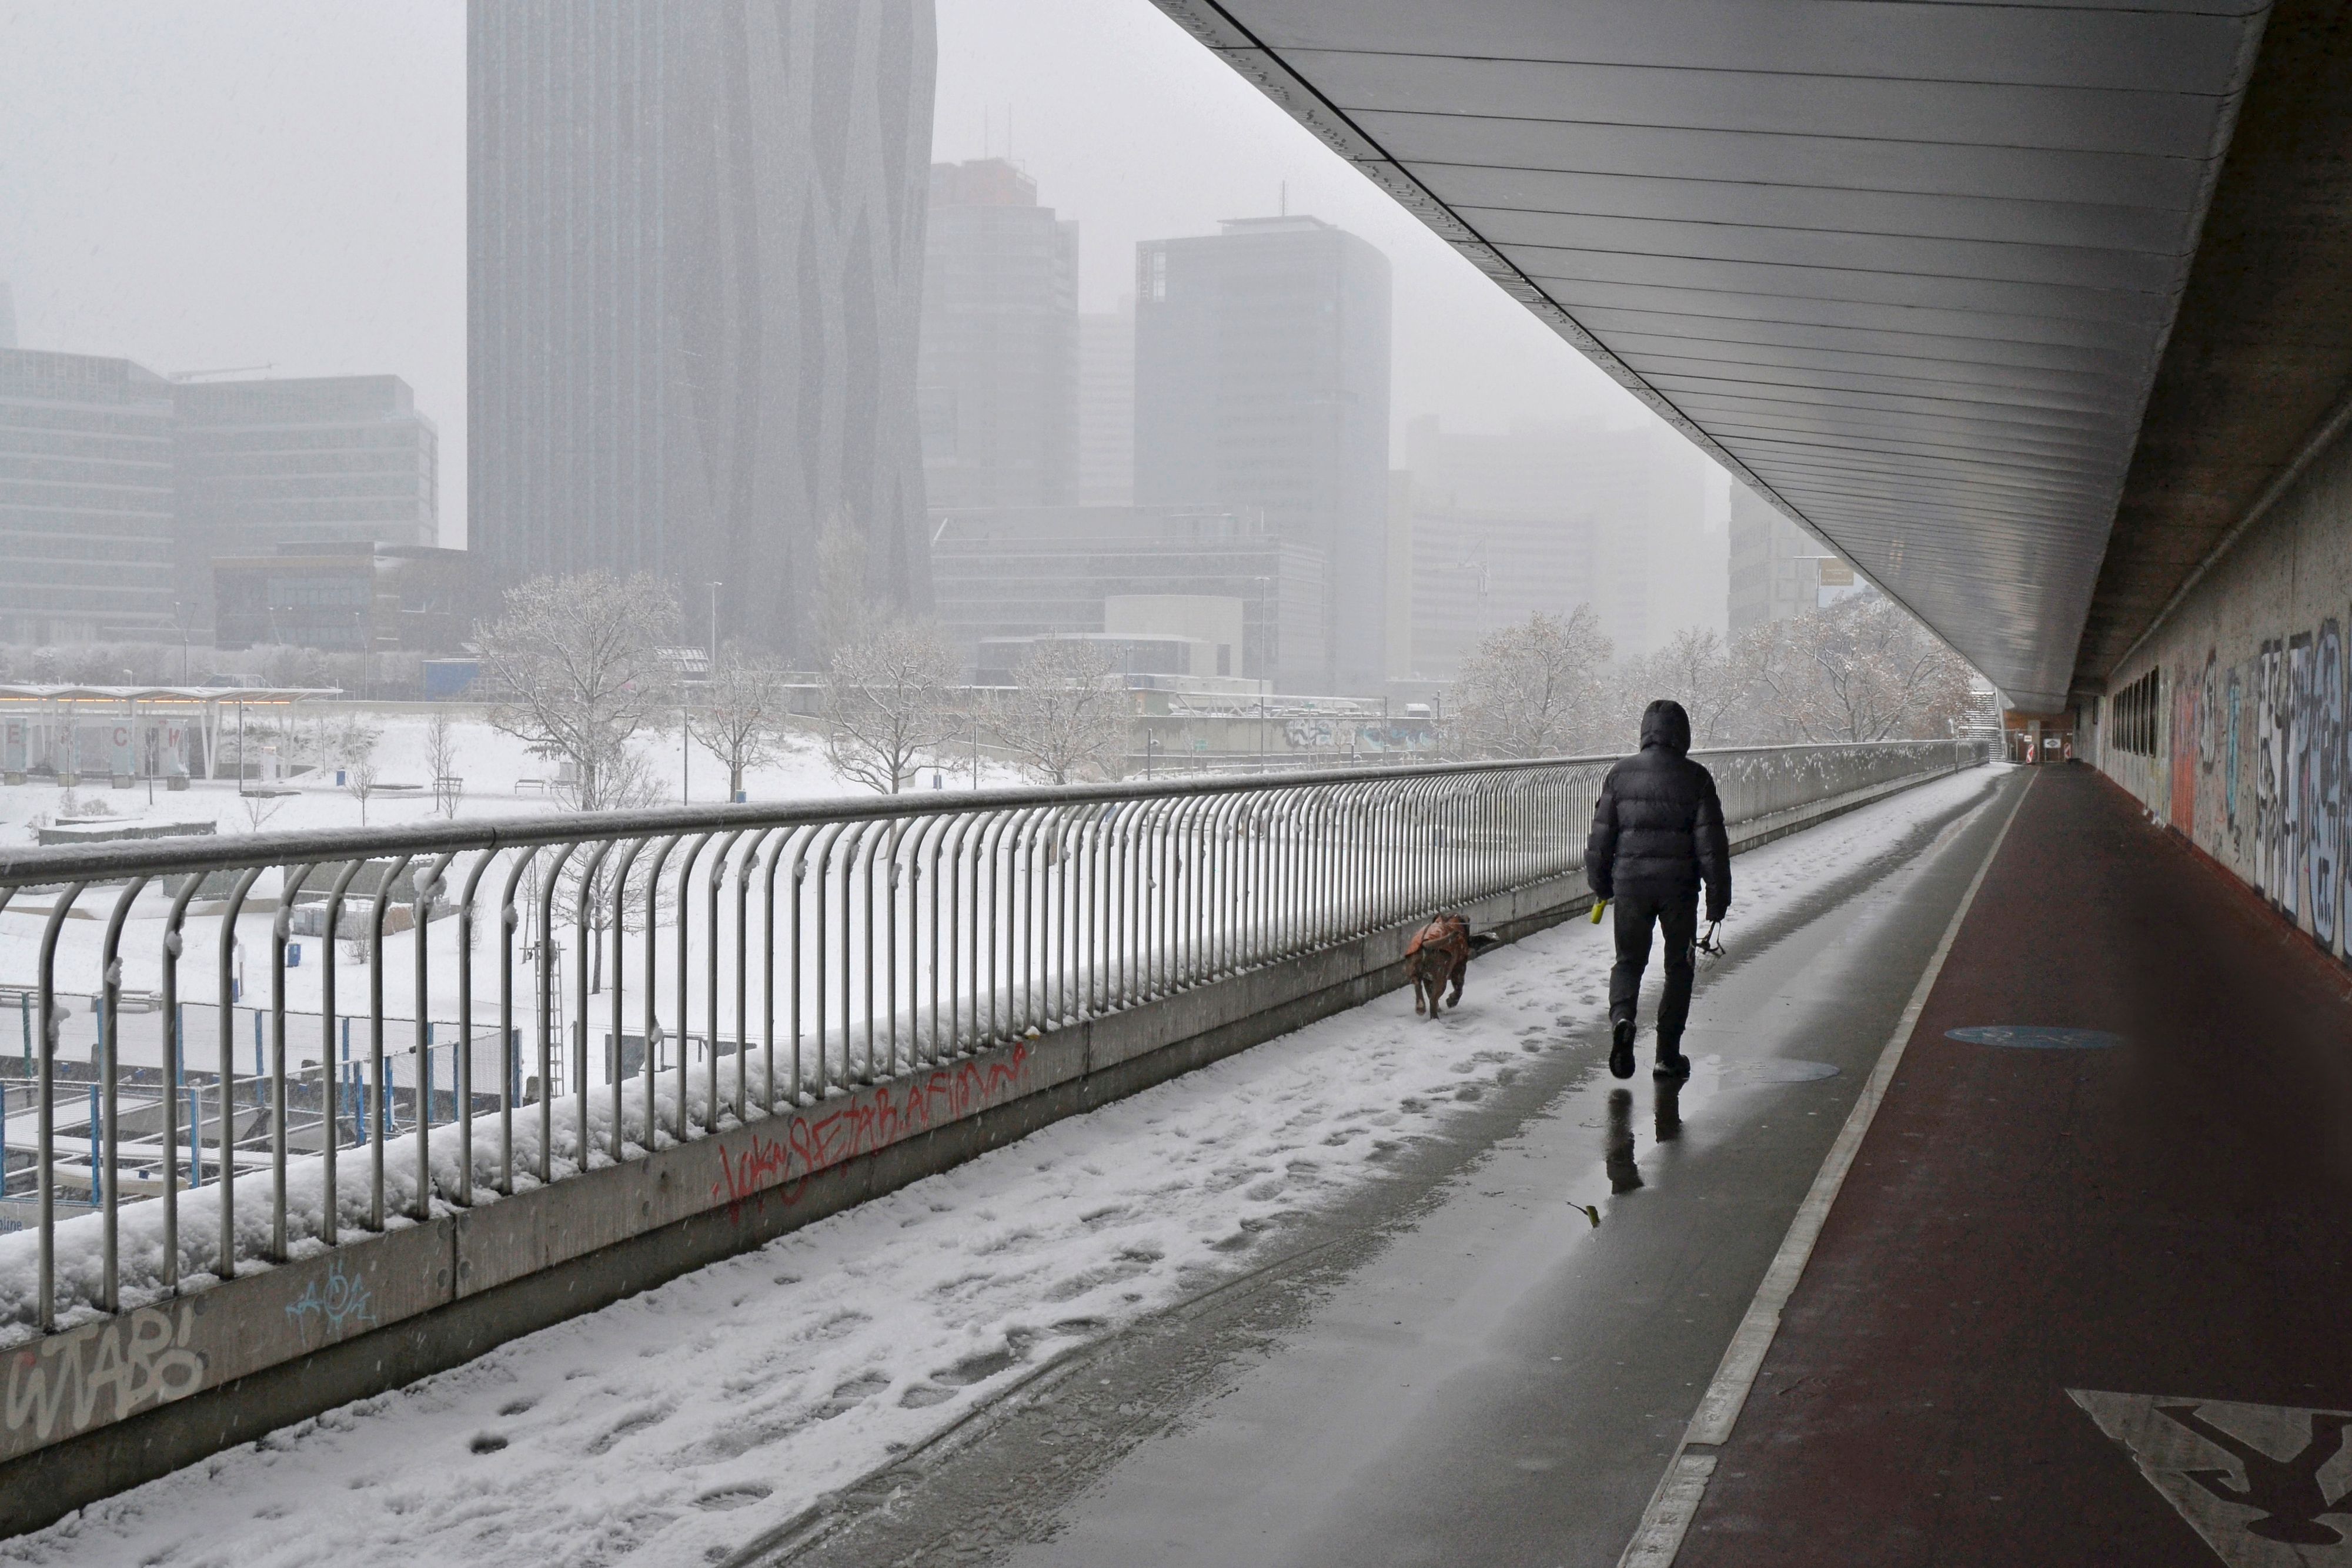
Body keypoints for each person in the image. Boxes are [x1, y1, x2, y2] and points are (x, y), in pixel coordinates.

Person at [1583, 698, 1730, 1079]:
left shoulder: (1619, 775)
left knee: (1628, 962)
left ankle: (1623, 1019)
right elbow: (1712, 845)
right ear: (1682, 734)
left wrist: (1601, 885)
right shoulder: (1696, 778)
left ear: (1646, 732)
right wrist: (1718, 901)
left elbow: (1601, 839)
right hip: (1679, 890)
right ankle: (1667, 1055)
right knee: (1678, 968)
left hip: (1630, 885)